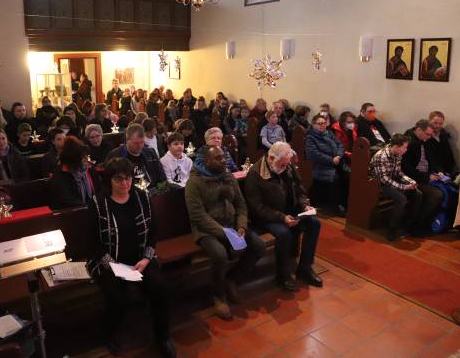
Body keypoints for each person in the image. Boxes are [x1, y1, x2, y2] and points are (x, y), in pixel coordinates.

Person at [87, 158, 175, 357]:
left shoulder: (142, 196)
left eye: (128, 179)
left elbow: (154, 231)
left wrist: (146, 259)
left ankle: (162, 337)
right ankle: (110, 332)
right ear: (109, 180)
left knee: (160, 287)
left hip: (140, 260)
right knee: (117, 295)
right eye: (119, 180)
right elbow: (92, 242)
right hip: (109, 261)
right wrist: (113, 264)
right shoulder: (98, 204)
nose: (125, 184)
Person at [185, 146, 265, 319]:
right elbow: (198, 216)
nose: (224, 160)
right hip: (206, 230)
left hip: (232, 225)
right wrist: (225, 233)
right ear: (206, 161)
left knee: (258, 245)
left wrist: (241, 226)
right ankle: (218, 295)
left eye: (224, 157)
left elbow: (241, 205)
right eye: (218, 158)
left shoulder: (228, 176)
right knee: (219, 255)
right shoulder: (194, 182)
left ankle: (232, 279)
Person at [245, 142, 323, 291]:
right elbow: (257, 208)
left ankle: (305, 267)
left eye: (286, 165)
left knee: (314, 224)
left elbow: (300, 190)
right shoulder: (255, 174)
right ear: (271, 157)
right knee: (284, 233)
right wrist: (282, 217)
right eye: (281, 165)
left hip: (290, 211)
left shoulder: (288, 166)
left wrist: (305, 205)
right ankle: (283, 274)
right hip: (267, 216)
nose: (284, 168)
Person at [369, 134, 422, 241]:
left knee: (417, 193)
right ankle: (392, 228)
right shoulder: (381, 156)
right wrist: (403, 187)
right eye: (405, 147)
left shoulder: (397, 154)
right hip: (377, 184)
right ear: (397, 147)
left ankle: (409, 224)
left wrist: (411, 181)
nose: (406, 150)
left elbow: (398, 172)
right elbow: (383, 179)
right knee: (401, 198)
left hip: (391, 180)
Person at [402, 120, 445, 233]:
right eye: (428, 134)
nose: (430, 137)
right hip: (411, 178)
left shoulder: (424, 140)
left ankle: (428, 222)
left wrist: (439, 171)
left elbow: (431, 159)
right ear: (419, 130)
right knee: (436, 194)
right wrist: (427, 177)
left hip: (425, 175)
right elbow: (406, 169)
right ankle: (415, 224)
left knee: (446, 188)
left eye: (431, 134)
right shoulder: (407, 143)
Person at [306, 115, 347, 213]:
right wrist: (331, 160)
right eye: (319, 124)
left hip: (337, 162)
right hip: (322, 166)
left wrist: (338, 156)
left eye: (324, 123)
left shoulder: (329, 134)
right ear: (313, 125)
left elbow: (340, 145)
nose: (322, 125)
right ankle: (335, 206)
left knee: (348, 176)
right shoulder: (310, 138)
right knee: (335, 179)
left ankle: (345, 203)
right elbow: (314, 154)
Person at [106, 124, 167, 188]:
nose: (140, 146)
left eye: (142, 142)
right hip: (130, 192)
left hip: (153, 191)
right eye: (136, 143)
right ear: (127, 140)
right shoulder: (116, 157)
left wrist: (159, 190)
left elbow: (162, 177)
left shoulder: (150, 153)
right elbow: (111, 182)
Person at [50, 137, 96, 210]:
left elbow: (98, 189)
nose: (86, 159)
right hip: (70, 212)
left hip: (90, 208)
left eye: (86, 156)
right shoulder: (60, 174)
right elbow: (67, 199)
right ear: (73, 159)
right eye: (82, 156)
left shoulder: (89, 168)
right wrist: (87, 207)